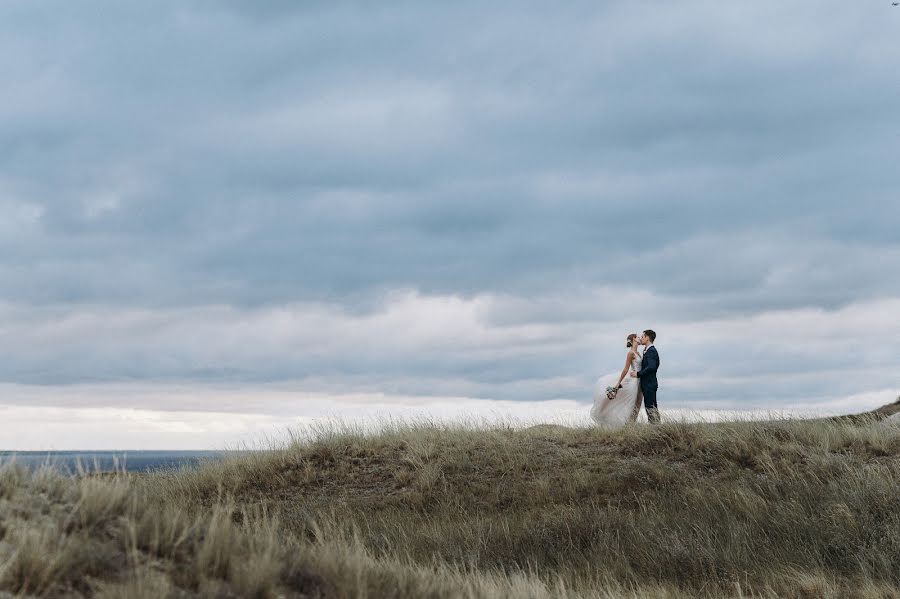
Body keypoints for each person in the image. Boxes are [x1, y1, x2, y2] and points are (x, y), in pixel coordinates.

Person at [590, 333, 645, 428]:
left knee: (638, 403)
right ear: (634, 340)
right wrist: (618, 383)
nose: (640, 338)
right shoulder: (630, 353)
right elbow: (625, 369)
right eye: (638, 337)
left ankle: (631, 425)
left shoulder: (639, 353)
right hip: (633, 382)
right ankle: (625, 425)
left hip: (640, 381)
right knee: (630, 405)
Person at [630, 329, 660, 424]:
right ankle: (656, 427)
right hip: (647, 384)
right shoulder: (647, 351)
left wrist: (638, 374)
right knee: (651, 407)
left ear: (647, 338)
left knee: (650, 408)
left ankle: (655, 428)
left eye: (642, 337)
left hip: (649, 384)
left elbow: (651, 367)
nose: (641, 338)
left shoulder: (651, 351)